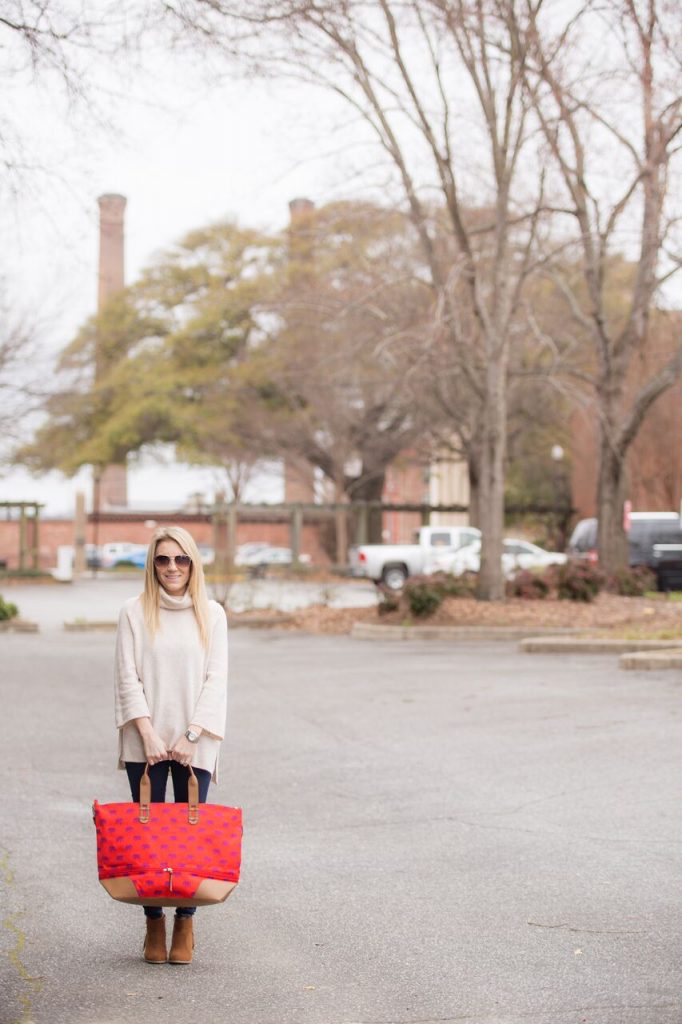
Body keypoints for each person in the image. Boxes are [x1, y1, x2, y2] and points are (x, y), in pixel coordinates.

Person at [114, 525, 228, 965]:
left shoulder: (212, 614)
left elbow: (216, 680)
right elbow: (127, 676)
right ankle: (153, 923)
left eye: (181, 559)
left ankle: (185, 921)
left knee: (189, 837)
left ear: (193, 563)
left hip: (194, 741)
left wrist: (192, 735)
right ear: (152, 564)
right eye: (163, 559)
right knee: (148, 838)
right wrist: (147, 733)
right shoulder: (133, 611)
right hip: (145, 741)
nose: (172, 568)